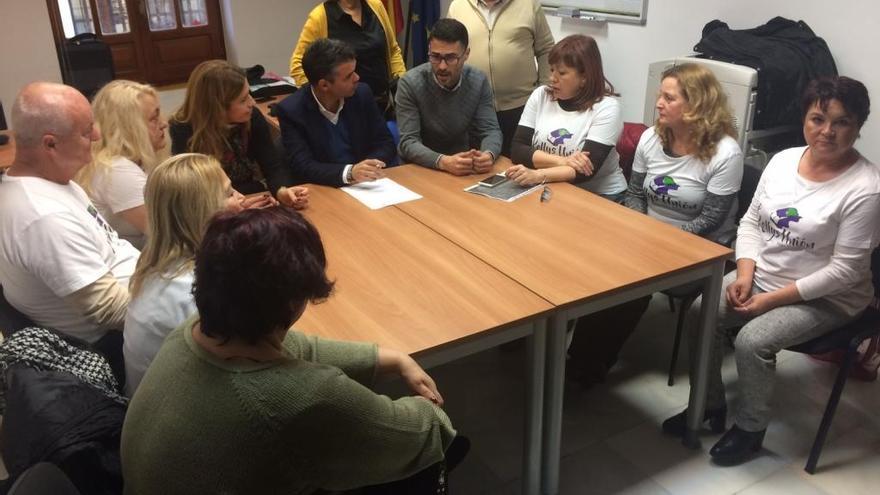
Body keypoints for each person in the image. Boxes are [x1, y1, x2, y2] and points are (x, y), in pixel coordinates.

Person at [121, 206, 466, 494]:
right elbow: (420, 433)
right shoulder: (300, 399)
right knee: (437, 457)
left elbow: (294, 347)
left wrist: (388, 358)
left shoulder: (195, 331)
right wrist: (429, 409)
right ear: (293, 300)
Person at [663, 76, 880, 466]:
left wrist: (769, 301)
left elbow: (845, 272)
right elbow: (749, 225)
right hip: (764, 276)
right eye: (817, 119)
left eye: (841, 122)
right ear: (805, 119)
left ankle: (750, 427)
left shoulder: (865, 187)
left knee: (752, 340)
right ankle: (709, 407)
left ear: (859, 125)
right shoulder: (782, 161)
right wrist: (745, 274)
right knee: (701, 311)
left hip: (830, 298)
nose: (827, 131)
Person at [566, 63, 745, 387]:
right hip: (648, 235)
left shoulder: (725, 153)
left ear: (697, 105)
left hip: (700, 248)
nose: (658, 103)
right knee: (593, 265)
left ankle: (586, 369)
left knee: (627, 286)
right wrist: (641, 232)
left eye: (669, 98)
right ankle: (572, 355)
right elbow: (635, 193)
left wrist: (656, 241)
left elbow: (711, 220)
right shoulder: (652, 137)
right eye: (660, 95)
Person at [0, 82, 139, 369]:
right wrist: (188, 300)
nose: (98, 135)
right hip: (112, 343)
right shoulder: (44, 218)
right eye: (86, 131)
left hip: (136, 299)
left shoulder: (53, 183)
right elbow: (110, 311)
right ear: (50, 144)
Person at [123, 153, 238, 396]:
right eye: (229, 194)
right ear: (203, 212)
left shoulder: (157, 263)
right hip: (182, 416)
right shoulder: (194, 294)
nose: (241, 199)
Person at [169, 60, 308, 208]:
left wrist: (282, 191)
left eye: (249, 94)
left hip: (250, 194)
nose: (252, 103)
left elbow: (272, 166)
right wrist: (229, 206)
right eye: (243, 100)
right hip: (211, 206)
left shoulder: (252, 117)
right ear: (218, 107)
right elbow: (190, 193)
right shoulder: (183, 128)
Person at [506, 35, 628, 202]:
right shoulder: (540, 95)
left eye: (562, 73)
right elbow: (518, 150)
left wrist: (537, 174)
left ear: (584, 77)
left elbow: (584, 171)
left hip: (600, 195)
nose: (552, 78)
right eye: (552, 70)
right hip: (554, 188)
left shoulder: (607, 108)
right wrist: (563, 160)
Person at [277, 38, 396, 187]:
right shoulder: (292, 111)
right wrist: (350, 173)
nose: (357, 78)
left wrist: (369, 166)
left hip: (366, 186)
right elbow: (304, 166)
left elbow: (385, 142)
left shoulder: (362, 93)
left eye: (355, 71)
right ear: (324, 85)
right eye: (348, 76)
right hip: (324, 188)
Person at [447, 0, 554, 157]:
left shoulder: (528, 5)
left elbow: (546, 49)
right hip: (473, 106)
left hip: (520, 106)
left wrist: (543, 90)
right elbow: (447, 47)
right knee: (477, 165)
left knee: (518, 166)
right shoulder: (458, 6)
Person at [395, 18, 502, 175]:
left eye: (451, 58)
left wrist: (488, 154)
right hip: (420, 168)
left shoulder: (478, 80)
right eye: (435, 57)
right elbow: (409, 142)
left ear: (466, 54)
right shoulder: (409, 83)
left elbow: (490, 130)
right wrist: (443, 162)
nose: (442, 66)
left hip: (461, 166)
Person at [74, 80, 168, 249]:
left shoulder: (133, 162)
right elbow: (169, 235)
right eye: (153, 119)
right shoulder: (116, 170)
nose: (164, 123)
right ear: (129, 127)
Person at [290, 0, 405, 116]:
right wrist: (321, 99)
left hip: (382, 103)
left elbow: (393, 50)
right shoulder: (320, 16)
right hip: (344, 111)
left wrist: (401, 84)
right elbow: (298, 64)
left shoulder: (376, 6)